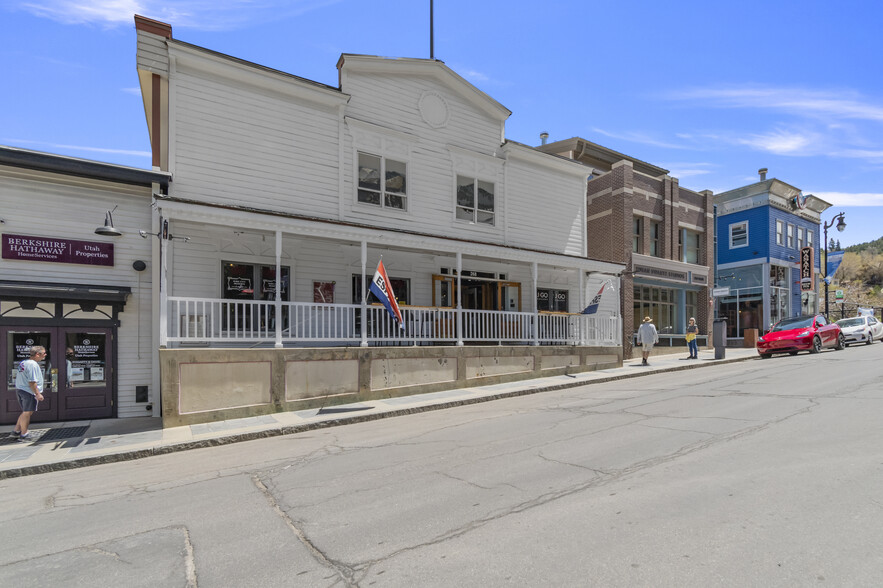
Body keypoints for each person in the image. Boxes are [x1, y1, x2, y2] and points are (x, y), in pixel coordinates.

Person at [11, 345, 46, 442]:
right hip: (28, 392)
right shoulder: (32, 364)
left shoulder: (23, 362)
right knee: (27, 413)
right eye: (44, 353)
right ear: (37, 354)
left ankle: (16, 431)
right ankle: (24, 434)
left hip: (21, 389)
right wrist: (38, 394)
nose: (45, 355)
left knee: (25, 412)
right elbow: (32, 381)